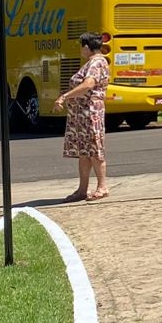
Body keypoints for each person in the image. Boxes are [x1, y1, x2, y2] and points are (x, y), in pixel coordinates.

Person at [55, 32, 111, 202]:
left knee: (94, 150)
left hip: (90, 112)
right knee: (84, 152)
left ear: (87, 47)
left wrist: (65, 96)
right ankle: (82, 189)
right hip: (82, 114)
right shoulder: (92, 63)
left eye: (81, 46)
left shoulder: (96, 63)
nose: (80, 50)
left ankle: (102, 187)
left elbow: (88, 84)